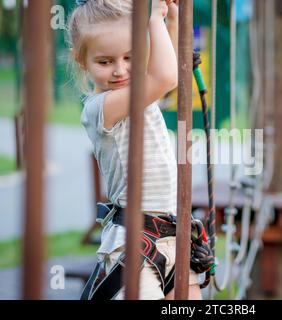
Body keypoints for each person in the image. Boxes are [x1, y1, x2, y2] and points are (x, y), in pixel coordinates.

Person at [67, 0, 207, 300]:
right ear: (81, 60)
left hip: (171, 238)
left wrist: (171, 22)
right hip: (134, 244)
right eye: (104, 62)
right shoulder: (101, 108)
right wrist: (154, 17)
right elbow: (164, 77)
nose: (120, 70)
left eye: (130, 57)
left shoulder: (135, 93)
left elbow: (167, 73)